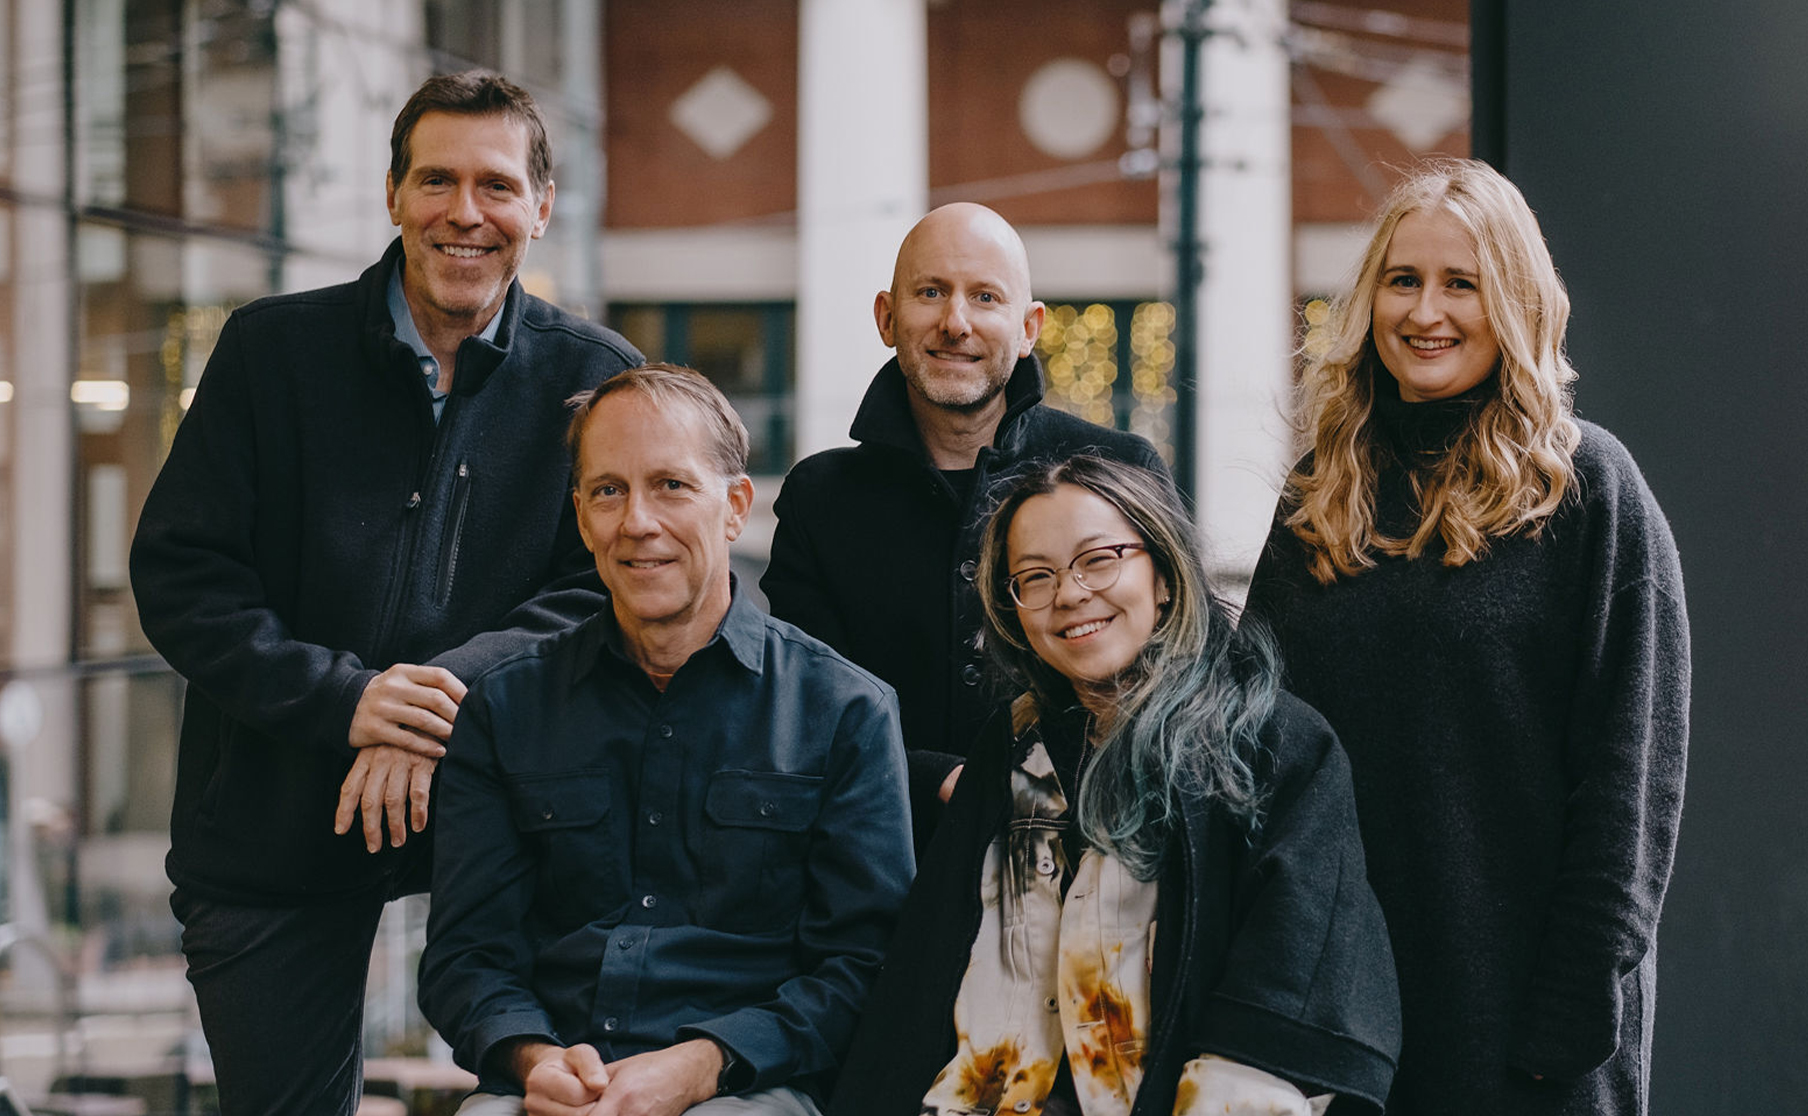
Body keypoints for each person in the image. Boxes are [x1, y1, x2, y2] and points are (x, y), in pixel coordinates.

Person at [128, 71, 641, 1116]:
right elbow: (184, 573)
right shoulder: (272, 351)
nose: (466, 213)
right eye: (437, 180)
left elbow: (606, 588)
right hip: (271, 825)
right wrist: (346, 701)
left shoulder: (597, 380)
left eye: (496, 186)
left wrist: (431, 698)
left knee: (574, 1101)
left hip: (506, 822)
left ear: (540, 208)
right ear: (395, 194)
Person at [1242, 158, 1689, 1116]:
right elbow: (1261, 753)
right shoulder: (1321, 496)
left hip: (1530, 1034)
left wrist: (1567, 1017)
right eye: (1402, 281)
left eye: (1462, 283)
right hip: (1348, 1024)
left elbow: (1630, 786)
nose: (1424, 311)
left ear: (1515, 301)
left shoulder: (1587, 490)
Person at [832, 455, 1400, 1116]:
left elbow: (1288, 992)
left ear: (1162, 574)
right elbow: (923, 977)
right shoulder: (1012, 747)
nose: (1069, 594)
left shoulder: (1269, 743)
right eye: (1034, 577)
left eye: (1098, 559)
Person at [420, 366, 913, 1116]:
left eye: (671, 486)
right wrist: (534, 1059)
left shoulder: (844, 710)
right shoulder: (505, 706)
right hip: (550, 1086)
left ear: (734, 507)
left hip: (746, 1088)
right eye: (608, 491)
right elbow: (467, 957)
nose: (638, 521)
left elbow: (862, 966)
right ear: (581, 517)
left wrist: (703, 1065)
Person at [763, 203, 1168, 846]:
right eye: (931, 293)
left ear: (1030, 326)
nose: (957, 323)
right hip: (879, 866)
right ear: (886, 319)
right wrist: (935, 779)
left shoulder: (1120, 472)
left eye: (985, 297)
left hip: (1095, 849)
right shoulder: (821, 499)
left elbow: (1180, 674)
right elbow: (802, 708)